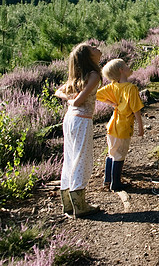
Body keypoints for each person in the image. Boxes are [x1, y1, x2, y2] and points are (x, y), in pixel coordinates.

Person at [55, 42, 103, 217]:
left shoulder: (77, 76)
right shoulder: (94, 75)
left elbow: (59, 91)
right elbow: (77, 101)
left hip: (69, 119)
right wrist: (71, 99)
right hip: (81, 120)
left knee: (70, 158)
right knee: (82, 159)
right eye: (93, 48)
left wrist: (68, 96)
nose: (98, 49)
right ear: (88, 57)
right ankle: (80, 205)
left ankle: (68, 203)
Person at [96, 58, 144, 192]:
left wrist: (111, 103)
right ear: (121, 70)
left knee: (112, 152)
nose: (129, 67)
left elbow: (96, 94)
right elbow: (136, 109)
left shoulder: (113, 86)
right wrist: (140, 126)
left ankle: (108, 179)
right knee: (119, 154)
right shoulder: (131, 88)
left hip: (112, 125)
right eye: (126, 65)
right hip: (123, 126)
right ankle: (116, 183)